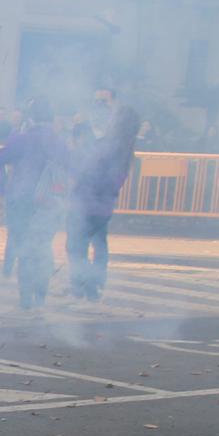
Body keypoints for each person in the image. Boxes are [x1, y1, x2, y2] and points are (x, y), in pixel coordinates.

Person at [0, 98, 67, 312]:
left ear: (30, 118)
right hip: (49, 203)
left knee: (24, 249)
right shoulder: (58, 141)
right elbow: (74, 166)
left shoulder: (22, 140)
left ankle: (25, 301)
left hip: (21, 201)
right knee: (42, 248)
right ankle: (40, 299)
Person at [66, 102, 138, 302]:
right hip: (105, 206)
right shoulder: (126, 148)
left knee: (76, 246)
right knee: (97, 243)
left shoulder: (106, 145)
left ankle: (83, 287)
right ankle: (94, 285)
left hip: (87, 203)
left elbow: (87, 170)